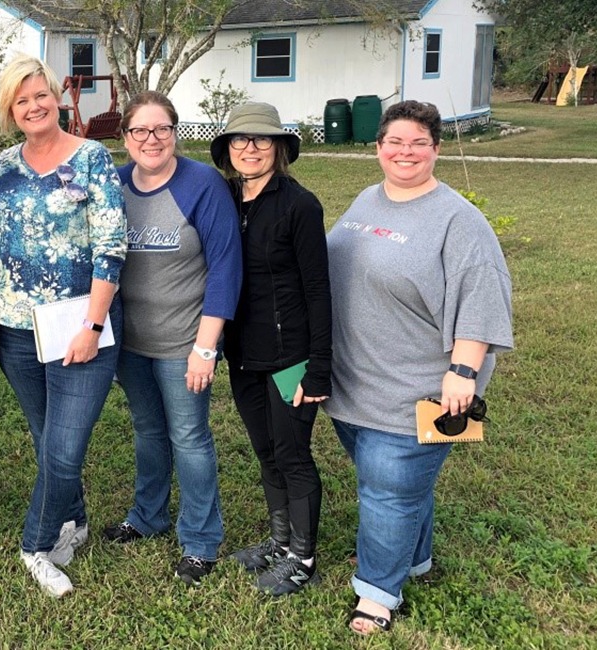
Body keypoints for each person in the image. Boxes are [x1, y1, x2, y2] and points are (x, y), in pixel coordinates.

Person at [324, 100, 513, 634]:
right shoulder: (367, 200)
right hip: (353, 380)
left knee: (387, 491)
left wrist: (464, 372)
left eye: (419, 144)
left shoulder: (459, 220)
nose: (405, 153)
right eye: (395, 142)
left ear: (435, 150)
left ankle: (378, 595)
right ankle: (417, 560)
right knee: (398, 485)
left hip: (423, 387)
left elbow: (481, 298)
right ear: (378, 147)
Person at [0, 54, 127, 598]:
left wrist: (92, 325)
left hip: (80, 326)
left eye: (40, 94)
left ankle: (35, 545)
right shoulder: (2, 166)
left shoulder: (92, 157)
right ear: (10, 110)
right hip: (16, 331)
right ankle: (77, 519)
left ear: (57, 97)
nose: (33, 106)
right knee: (48, 438)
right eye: (20, 100)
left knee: (65, 447)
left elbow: (111, 248)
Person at [106, 91, 241, 585]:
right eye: (139, 130)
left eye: (161, 129)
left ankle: (201, 541)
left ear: (175, 132)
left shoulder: (202, 184)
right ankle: (148, 516)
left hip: (186, 342)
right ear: (125, 138)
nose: (151, 139)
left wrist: (205, 348)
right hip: (130, 342)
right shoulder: (115, 184)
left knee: (189, 437)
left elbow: (226, 268)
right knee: (147, 430)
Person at [211, 102, 332, 596]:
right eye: (240, 140)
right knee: (265, 451)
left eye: (262, 140)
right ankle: (280, 542)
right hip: (244, 353)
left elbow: (319, 291)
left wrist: (319, 369)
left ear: (279, 148)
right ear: (228, 150)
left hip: (292, 358)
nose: (250, 148)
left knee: (292, 453)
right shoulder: (227, 200)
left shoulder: (299, 205)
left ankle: (303, 557)